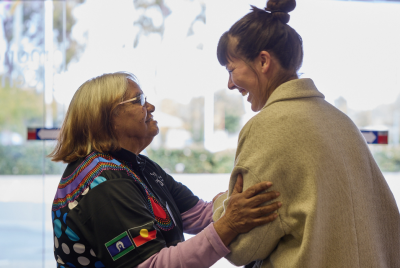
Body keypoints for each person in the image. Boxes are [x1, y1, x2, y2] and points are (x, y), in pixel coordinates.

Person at [212, 0, 400, 267]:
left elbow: (240, 247)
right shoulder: (341, 122)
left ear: (263, 61)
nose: (230, 84)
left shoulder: (266, 127)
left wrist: (220, 205)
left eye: (231, 70)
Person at [49, 72, 282, 268]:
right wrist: (229, 225)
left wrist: (246, 197)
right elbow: (152, 264)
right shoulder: (105, 183)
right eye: (138, 100)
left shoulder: (138, 166)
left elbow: (199, 214)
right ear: (107, 118)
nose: (150, 106)